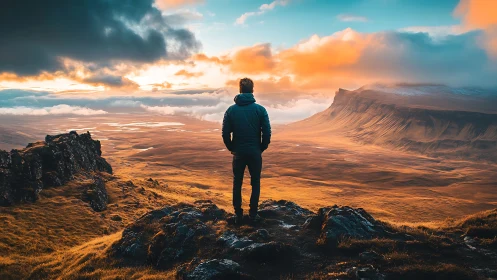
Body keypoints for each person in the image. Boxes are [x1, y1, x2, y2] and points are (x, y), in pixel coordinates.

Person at [222, 78, 271, 225]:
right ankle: (253, 215)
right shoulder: (260, 110)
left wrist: (232, 148)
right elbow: (267, 133)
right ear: (253, 90)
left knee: (237, 183)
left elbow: (225, 134)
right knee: (255, 183)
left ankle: (238, 215)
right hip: (255, 152)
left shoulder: (231, 110)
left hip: (239, 153)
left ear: (240, 90)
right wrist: (261, 148)